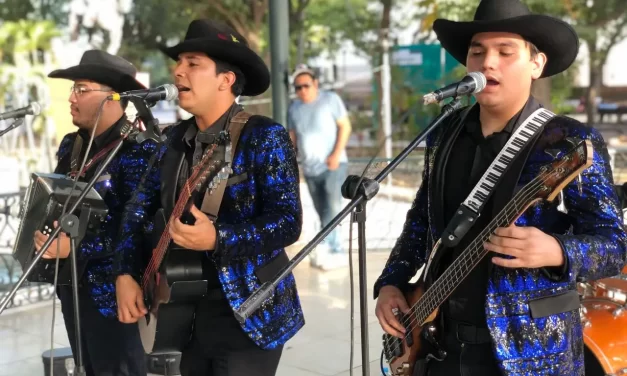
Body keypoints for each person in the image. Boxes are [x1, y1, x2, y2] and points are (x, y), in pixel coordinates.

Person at [373, 0, 627, 375]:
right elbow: (421, 221)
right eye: (478, 52)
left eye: (505, 52)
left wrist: (558, 249)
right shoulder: (445, 133)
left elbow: (613, 245)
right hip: (440, 345)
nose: (487, 62)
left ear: (536, 64)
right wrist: (391, 282)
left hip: (534, 352)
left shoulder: (569, 141)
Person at [118, 19, 304, 376]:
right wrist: (125, 272)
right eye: (178, 63)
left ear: (226, 79)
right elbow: (135, 210)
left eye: (192, 63)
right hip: (183, 311)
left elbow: (287, 222)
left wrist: (219, 238)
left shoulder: (264, 136)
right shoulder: (172, 141)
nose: (177, 72)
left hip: (249, 310)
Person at [37, 49, 161, 376]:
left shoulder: (139, 147)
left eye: (82, 88)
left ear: (112, 97)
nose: (71, 98)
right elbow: (61, 202)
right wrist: (47, 234)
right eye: (72, 89)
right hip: (71, 284)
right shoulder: (70, 144)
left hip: (114, 291)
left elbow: (133, 226)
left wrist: (74, 246)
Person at [287, 64, 352, 271]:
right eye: (298, 88)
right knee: (320, 208)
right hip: (310, 167)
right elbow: (293, 136)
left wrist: (335, 155)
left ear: (315, 84)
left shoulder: (331, 100)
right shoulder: (294, 108)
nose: (302, 91)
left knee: (331, 208)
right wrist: (292, 163)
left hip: (333, 164)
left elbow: (345, 126)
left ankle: (333, 250)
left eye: (305, 86)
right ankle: (329, 247)